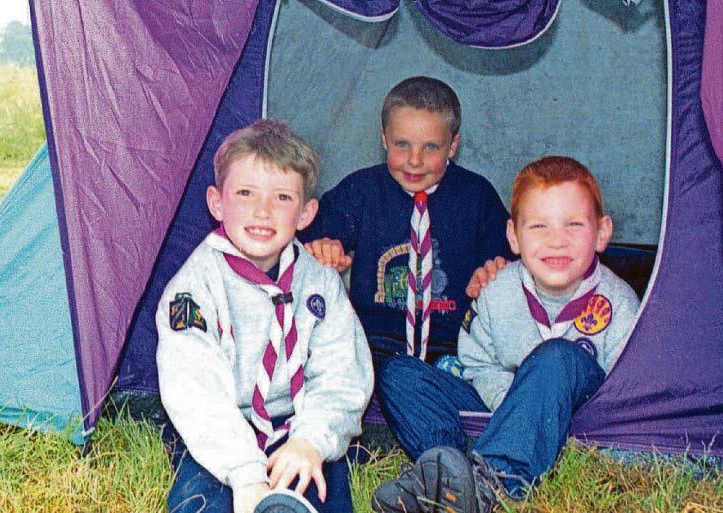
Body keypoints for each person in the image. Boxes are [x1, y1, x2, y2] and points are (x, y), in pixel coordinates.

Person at [372, 156, 640, 513]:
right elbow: (477, 364)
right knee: (399, 373)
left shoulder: (619, 303)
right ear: (513, 236)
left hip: (569, 417)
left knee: (559, 355)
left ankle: (494, 483)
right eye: (539, 227)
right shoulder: (497, 291)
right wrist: (509, 403)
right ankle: (444, 469)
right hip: (493, 409)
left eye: (574, 225)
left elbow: (627, 392)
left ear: (602, 232)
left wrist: (532, 406)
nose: (556, 241)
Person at [156, 119, 374, 513]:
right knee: (202, 503)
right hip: (221, 431)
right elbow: (194, 387)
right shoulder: (194, 288)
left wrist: (310, 441)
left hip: (298, 426)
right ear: (216, 202)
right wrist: (245, 472)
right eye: (245, 193)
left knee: (322, 497)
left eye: (282, 198)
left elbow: (343, 372)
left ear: (306, 213)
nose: (262, 211)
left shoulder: (321, 284)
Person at [300, 76, 512, 372]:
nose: (415, 160)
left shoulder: (477, 197)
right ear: (384, 138)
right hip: (371, 342)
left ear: (453, 146)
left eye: (431, 148)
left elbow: (505, 264)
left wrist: (494, 273)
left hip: (454, 345)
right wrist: (323, 248)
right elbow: (308, 244)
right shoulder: (359, 191)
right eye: (402, 144)